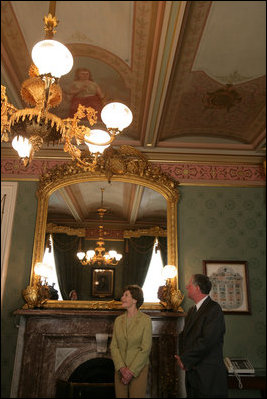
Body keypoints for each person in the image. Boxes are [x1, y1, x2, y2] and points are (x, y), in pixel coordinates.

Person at [175, 274, 228, 398]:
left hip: (208, 375)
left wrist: (185, 359)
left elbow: (207, 341)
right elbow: (184, 337)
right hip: (193, 374)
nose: (187, 286)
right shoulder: (192, 310)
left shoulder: (214, 309)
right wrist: (182, 358)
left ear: (198, 288)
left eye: (190, 284)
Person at [110, 285, 152, 398]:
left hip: (139, 369)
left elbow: (146, 348)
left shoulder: (146, 320)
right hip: (120, 369)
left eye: (126, 295)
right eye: (123, 295)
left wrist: (131, 371)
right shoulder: (118, 321)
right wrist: (122, 368)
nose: (122, 297)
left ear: (135, 300)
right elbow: (114, 346)